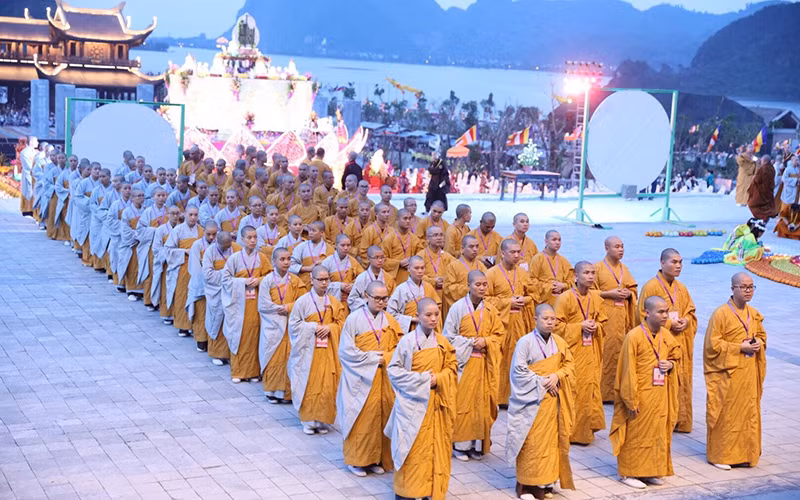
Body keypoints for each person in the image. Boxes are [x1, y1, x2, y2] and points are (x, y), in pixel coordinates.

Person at [385, 297, 457, 500]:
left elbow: (452, 369)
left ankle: (428, 491)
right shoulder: (407, 342)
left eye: (436, 314)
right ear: (417, 316)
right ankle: (407, 492)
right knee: (412, 449)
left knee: (433, 449)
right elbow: (395, 371)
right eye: (428, 315)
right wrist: (425, 380)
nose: (433, 319)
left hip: (436, 405)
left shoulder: (443, 343)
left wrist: (439, 379)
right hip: (412, 406)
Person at [507, 304, 576, 500]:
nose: (550, 322)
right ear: (535, 319)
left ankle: (547, 482)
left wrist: (556, 375)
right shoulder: (525, 342)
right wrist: (544, 382)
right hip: (531, 402)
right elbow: (519, 371)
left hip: (553, 401)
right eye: (545, 318)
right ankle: (526, 486)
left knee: (551, 442)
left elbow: (569, 364)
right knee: (532, 441)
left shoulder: (560, 342)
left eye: (553, 319)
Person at [610, 296, 680, 490]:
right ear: (646, 313)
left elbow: (677, 353)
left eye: (666, 311)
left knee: (657, 432)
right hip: (639, 394)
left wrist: (671, 364)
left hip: (660, 394)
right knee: (636, 434)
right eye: (660, 312)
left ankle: (651, 471)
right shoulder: (634, 336)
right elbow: (627, 371)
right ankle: (629, 472)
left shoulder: (665, 334)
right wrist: (631, 399)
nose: (665, 315)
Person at [337, 281, 403, 477]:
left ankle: (376, 458)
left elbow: (400, 350)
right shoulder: (354, 319)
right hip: (360, 379)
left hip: (383, 379)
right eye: (377, 298)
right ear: (366, 296)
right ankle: (357, 460)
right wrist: (374, 358)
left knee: (381, 416)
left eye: (385, 299)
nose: (382, 302)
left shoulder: (391, 321)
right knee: (361, 418)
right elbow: (346, 351)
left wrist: (387, 358)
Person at [703, 272, 766, 470]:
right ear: (733, 289)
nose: (748, 291)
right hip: (727, 374)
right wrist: (740, 347)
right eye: (743, 287)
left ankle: (747, 454)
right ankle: (721, 455)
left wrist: (758, 344)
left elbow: (762, 335)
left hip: (748, 374)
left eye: (751, 287)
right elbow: (712, 346)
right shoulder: (720, 314)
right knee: (726, 413)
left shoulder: (753, 313)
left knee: (748, 413)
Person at [444, 270, 502, 462]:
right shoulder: (457, 308)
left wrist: (486, 342)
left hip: (485, 364)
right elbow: (448, 337)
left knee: (482, 404)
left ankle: (478, 445)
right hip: (464, 363)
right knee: (463, 403)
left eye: (485, 284)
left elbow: (499, 336)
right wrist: (469, 343)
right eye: (478, 284)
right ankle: (460, 445)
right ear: (468, 286)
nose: (482, 288)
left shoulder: (491, 310)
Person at [638, 248, 697, 433]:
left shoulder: (682, 288)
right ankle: (663, 417)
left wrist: (686, 321)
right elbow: (641, 316)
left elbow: (691, 311)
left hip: (680, 342)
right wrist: (670, 323)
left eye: (680, 262)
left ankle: (681, 418)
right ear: (662, 263)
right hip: (661, 344)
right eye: (673, 262)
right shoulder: (651, 287)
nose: (678, 266)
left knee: (682, 380)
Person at [287, 265, 345, 435]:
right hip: (308, 352)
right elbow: (294, 325)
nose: (324, 283)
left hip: (328, 351)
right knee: (309, 383)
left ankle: (322, 419)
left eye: (327, 279)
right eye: (320, 279)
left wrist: (330, 328)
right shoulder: (302, 302)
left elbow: (342, 324)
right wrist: (313, 327)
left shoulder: (334, 303)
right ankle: (308, 420)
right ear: (311, 280)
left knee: (327, 384)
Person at [554, 261, 607, 445]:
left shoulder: (596, 297)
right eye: (586, 273)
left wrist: (596, 326)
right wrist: (579, 327)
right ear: (575, 276)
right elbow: (556, 327)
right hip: (572, 353)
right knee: (572, 391)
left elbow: (603, 322)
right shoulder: (565, 298)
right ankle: (568, 432)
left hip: (590, 351)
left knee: (589, 390)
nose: (591, 276)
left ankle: (584, 432)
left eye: (593, 273)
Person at [223, 226, 271, 383]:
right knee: (240, 335)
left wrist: (259, 280)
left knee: (255, 335)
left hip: (257, 303)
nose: (252, 240)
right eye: (249, 237)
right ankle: (238, 371)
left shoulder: (262, 258)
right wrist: (243, 281)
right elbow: (225, 280)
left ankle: (253, 371)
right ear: (242, 239)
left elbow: (271, 276)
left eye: (255, 237)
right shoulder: (234, 258)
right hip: (239, 305)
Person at [259, 247, 307, 402]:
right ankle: (271, 390)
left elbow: (303, 302)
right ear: (273, 261)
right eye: (282, 259)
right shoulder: (267, 281)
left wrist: (289, 308)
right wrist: (278, 309)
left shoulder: (295, 280)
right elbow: (263, 305)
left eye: (288, 259)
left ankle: (287, 392)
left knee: (291, 357)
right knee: (273, 356)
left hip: (292, 325)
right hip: (273, 325)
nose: (286, 262)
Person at [594, 237, 638, 403]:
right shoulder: (597, 268)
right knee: (605, 353)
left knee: (620, 352)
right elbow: (590, 292)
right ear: (606, 248)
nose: (621, 250)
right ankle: (602, 393)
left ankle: (615, 392)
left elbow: (633, 288)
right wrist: (608, 294)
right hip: (605, 318)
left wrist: (629, 294)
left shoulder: (624, 269)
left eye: (622, 246)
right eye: (617, 246)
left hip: (622, 318)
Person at [164, 206, 204, 336]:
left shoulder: (201, 231)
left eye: (195, 215)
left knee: (196, 296)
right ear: (185, 214)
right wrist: (184, 252)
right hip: (183, 266)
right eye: (190, 214)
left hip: (198, 268)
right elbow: (168, 250)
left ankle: (193, 324)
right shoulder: (178, 230)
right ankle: (182, 325)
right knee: (182, 295)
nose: (193, 218)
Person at [203, 230, 238, 366]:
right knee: (216, 320)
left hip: (231, 290)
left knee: (230, 322)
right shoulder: (209, 252)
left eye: (229, 245)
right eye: (224, 246)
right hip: (216, 291)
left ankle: (228, 352)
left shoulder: (234, 249)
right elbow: (208, 275)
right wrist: (227, 274)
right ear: (217, 242)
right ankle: (216, 353)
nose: (227, 248)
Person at [387, 255, 442, 333]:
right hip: (409, 331)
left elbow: (437, 310)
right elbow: (390, 314)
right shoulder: (401, 289)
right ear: (409, 269)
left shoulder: (428, 287)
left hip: (429, 330)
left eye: (422, 268)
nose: (420, 271)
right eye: (416, 268)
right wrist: (411, 319)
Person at [187, 221, 217, 352]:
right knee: (201, 313)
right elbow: (195, 268)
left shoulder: (218, 245)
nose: (211, 237)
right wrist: (205, 284)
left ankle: (212, 341)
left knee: (214, 314)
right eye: (208, 234)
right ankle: (201, 339)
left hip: (216, 285)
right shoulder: (197, 245)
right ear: (203, 231)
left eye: (214, 234)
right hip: (201, 285)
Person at [137, 187, 168, 312]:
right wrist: (156, 230)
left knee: (163, 273)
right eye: (158, 195)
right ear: (153, 197)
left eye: (163, 195)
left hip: (165, 247)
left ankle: (161, 301)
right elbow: (140, 230)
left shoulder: (169, 211)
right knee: (150, 272)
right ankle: (149, 300)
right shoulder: (148, 212)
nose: (161, 198)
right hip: (151, 246)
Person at [443, 235, 488, 317]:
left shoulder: (482, 266)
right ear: (462, 249)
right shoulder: (453, 266)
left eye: (477, 247)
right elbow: (448, 288)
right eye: (471, 247)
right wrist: (470, 290)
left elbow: (488, 286)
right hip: (461, 308)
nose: (475, 249)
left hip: (479, 307)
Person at [151, 206, 182, 324]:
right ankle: (166, 313)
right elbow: (156, 249)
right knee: (166, 288)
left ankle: (177, 313)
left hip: (179, 263)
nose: (175, 216)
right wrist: (170, 254)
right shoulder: (161, 230)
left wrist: (176, 254)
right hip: (165, 264)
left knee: (178, 289)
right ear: (167, 214)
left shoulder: (181, 229)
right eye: (172, 213)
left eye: (177, 213)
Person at [529, 230, 574, 307]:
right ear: (546, 241)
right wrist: (549, 287)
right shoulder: (538, 259)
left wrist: (563, 285)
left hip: (561, 302)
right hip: (543, 302)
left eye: (559, 240)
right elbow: (531, 280)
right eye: (554, 240)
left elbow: (572, 279)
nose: (557, 242)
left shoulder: (564, 260)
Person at [320, 234, 363, 311]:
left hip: (350, 300)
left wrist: (353, 286)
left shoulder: (353, 261)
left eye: (348, 245)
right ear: (336, 245)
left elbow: (362, 279)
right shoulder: (327, 262)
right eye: (342, 245)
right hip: (332, 301)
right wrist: (339, 286)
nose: (346, 248)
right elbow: (321, 284)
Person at [382, 208, 423, 285]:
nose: (408, 221)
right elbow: (382, 261)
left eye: (409, 218)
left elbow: (421, 256)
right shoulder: (389, 238)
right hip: (394, 277)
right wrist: (399, 263)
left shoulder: (414, 239)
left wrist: (411, 261)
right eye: (405, 218)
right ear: (397, 220)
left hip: (412, 277)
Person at [348, 245, 396, 311]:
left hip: (383, 314)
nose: (380, 260)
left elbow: (394, 299)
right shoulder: (361, 278)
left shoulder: (389, 278)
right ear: (368, 258)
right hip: (365, 314)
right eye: (376, 257)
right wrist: (367, 303)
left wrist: (386, 303)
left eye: (382, 257)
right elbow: (352, 299)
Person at [119, 190, 146, 300]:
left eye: (142, 195)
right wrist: (137, 234)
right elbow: (125, 229)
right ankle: (131, 290)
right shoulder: (127, 212)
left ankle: (142, 290)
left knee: (143, 266)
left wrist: (144, 235)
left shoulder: (146, 211)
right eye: (138, 196)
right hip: (132, 243)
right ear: (132, 198)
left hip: (144, 243)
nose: (141, 198)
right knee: (132, 266)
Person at [417, 225, 455, 303]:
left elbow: (455, 272)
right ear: (428, 239)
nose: (439, 238)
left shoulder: (447, 256)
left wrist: (445, 279)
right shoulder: (421, 255)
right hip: (426, 293)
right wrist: (433, 281)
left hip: (444, 293)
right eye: (435, 235)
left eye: (441, 235)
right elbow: (416, 275)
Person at [290, 220, 332, 289]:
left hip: (323, 284)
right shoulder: (301, 247)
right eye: (309, 230)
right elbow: (291, 266)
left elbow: (334, 267)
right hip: (304, 283)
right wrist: (308, 268)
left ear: (321, 233)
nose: (310, 233)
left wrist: (324, 263)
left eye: (314, 231)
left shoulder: (329, 249)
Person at [776, 154, 800, 238]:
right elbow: (783, 179)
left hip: (796, 191)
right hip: (789, 191)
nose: (797, 162)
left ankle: (793, 223)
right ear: (792, 161)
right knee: (786, 208)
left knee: (795, 208)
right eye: (796, 160)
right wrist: (794, 181)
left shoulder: (797, 169)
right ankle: (782, 224)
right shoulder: (788, 169)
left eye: (798, 160)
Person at [747, 155, 777, 221]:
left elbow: (757, 180)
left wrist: (754, 178)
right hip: (769, 190)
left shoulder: (763, 169)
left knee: (752, 204)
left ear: (765, 161)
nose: (761, 162)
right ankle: (766, 216)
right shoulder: (772, 168)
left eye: (762, 161)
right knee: (765, 205)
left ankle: (763, 216)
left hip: (761, 191)